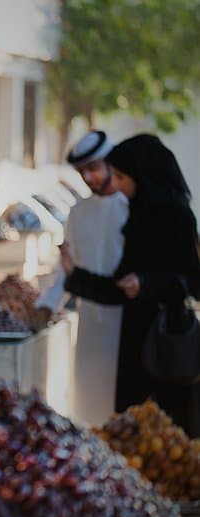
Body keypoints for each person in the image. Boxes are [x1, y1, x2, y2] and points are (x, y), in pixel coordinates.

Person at [61, 133, 200, 436]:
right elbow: (118, 289)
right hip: (134, 341)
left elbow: (194, 282)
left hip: (169, 342)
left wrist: (148, 284)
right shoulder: (135, 216)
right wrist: (75, 276)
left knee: (170, 436)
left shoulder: (179, 218)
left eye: (123, 177)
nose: (119, 185)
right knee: (130, 433)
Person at [36, 130, 128, 427]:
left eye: (93, 168)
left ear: (111, 163)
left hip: (127, 326)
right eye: (82, 171)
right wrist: (47, 304)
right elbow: (67, 269)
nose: (88, 178)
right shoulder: (78, 213)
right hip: (89, 330)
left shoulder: (134, 210)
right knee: (88, 411)